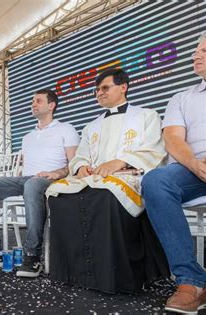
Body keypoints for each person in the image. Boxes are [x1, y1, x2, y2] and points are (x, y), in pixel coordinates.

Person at [46, 69, 169, 294]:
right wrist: (81, 166)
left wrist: (120, 162)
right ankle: (73, 273)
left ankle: (115, 276)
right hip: (95, 177)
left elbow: (154, 149)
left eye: (105, 88)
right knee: (58, 195)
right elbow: (81, 155)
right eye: (96, 90)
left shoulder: (146, 116)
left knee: (107, 195)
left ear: (123, 87)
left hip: (130, 175)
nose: (99, 93)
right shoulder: (91, 125)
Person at [0, 88, 80, 278]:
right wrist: (16, 178)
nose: (33, 104)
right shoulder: (28, 137)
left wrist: (56, 173)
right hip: (26, 179)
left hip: (53, 179)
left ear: (51, 105)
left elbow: (74, 165)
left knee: (33, 184)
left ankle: (32, 255)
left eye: (38, 101)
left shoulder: (66, 129)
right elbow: (25, 169)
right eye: (32, 101)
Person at [141, 32, 206, 314]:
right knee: (156, 180)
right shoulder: (182, 97)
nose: (195, 55)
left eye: (204, 50)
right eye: (195, 50)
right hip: (194, 169)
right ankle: (192, 281)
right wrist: (195, 163)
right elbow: (172, 138)